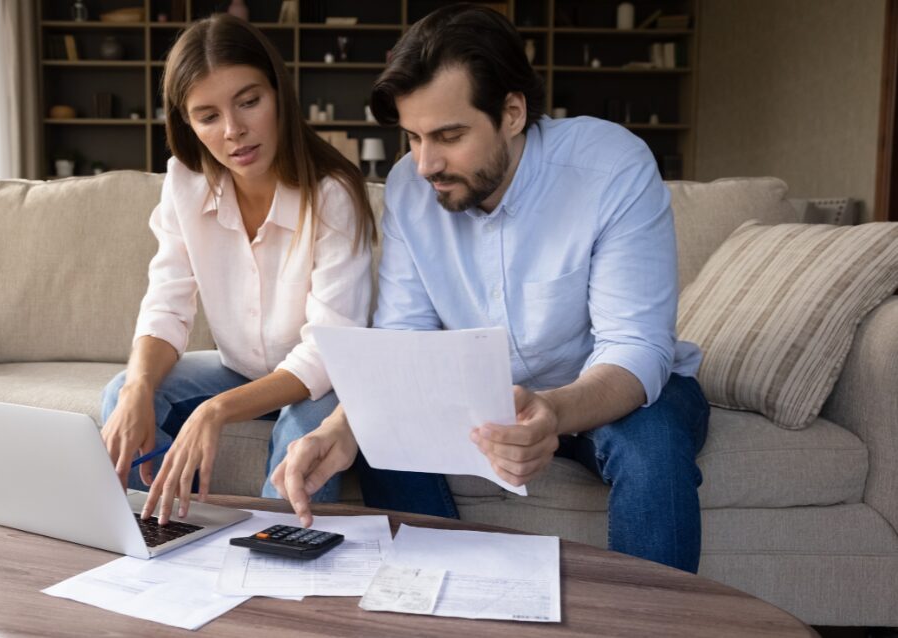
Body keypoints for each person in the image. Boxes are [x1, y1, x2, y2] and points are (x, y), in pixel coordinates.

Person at [270, 3, 710, 573]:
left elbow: (635, 348)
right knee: (382, 444)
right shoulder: (410, 187)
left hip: (612, 388)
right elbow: (405, 344)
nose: (425, 163)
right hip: (485, 397)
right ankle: (448, 596)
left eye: (449, 136)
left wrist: (551, 408)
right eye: (412, 137)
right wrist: (339, 428)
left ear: (512, 112)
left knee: (653, 453)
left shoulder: (611, 168)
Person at [100, 14, 374, 526]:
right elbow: (166, 305)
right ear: (187, 124)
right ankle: (169, 525)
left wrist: (217, 410)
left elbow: (328, 350)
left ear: (279, 94)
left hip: (319, 382)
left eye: (249, 102)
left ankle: (275, 552)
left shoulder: (333, 192)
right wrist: (139, 385)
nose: (234, 131)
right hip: (237, 368)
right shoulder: (185, 182)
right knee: (122, 392)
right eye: (207, 115)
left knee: (302, 428)